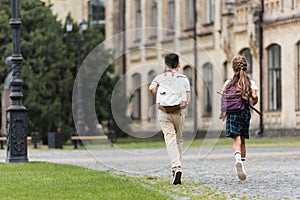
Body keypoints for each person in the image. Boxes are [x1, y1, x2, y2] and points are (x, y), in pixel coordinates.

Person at [149, 53, 191, 185]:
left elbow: (151, 88)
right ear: (178, 65)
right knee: (178, 139)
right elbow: (187, 101)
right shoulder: (184, 79)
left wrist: (156, 97)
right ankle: (177, 167)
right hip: (178, 112)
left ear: (165, 65)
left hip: (164, 112)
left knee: (170, 139)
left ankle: (176, 167)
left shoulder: (160, 78)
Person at [219, 55, 258, 180]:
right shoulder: (250, 82)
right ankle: (243, 164)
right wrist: (252, 101)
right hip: (244, 112)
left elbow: (224, 99)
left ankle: (237, 159)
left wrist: (223, 113)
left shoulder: (228, 83)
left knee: (236, 139)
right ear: (246, 67)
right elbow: (255, 97)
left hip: (232, 113)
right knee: (243, 139)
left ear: (232, 68)